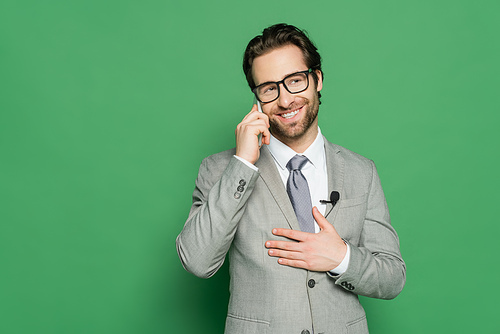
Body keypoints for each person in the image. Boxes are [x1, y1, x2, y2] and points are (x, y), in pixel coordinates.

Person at [176, 23, 406, 334]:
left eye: (295, 81)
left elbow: (392, 277)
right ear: (257, 97)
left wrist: (341, 257)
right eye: (270, 88)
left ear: (317, 80)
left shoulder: (361, 171)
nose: (285, 100)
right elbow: (197, 261)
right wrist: (243, 163)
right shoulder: (220, 169)